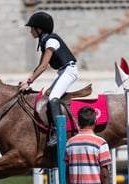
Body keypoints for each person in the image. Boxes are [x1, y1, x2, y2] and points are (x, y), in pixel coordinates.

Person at [20, 11, 78, 147]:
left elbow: (43, 67)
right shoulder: (44, 41)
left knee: (53, 98)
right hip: (63, 72)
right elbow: (39, 66)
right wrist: (27, 81)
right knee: (48, 96)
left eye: (32, 29)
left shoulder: (51, 41)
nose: (30, 32)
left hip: (69, 72)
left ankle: (59, 132)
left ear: (39, 29)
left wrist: (29, 81)